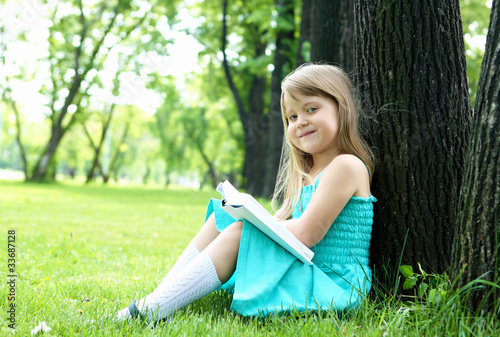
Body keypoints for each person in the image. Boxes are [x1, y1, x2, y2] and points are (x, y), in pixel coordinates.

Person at [113, 63, 376, 322]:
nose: (301, 122)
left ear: (341, 108)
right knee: (222, 216)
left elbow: (308, 234)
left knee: (241, 230)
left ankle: (153, 309)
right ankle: (162, 297)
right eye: (292, 116)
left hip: (332, 281)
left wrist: (255, 224)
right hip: (306, 265)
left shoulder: (346, 165)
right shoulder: (308, 171)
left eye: (311, 109)